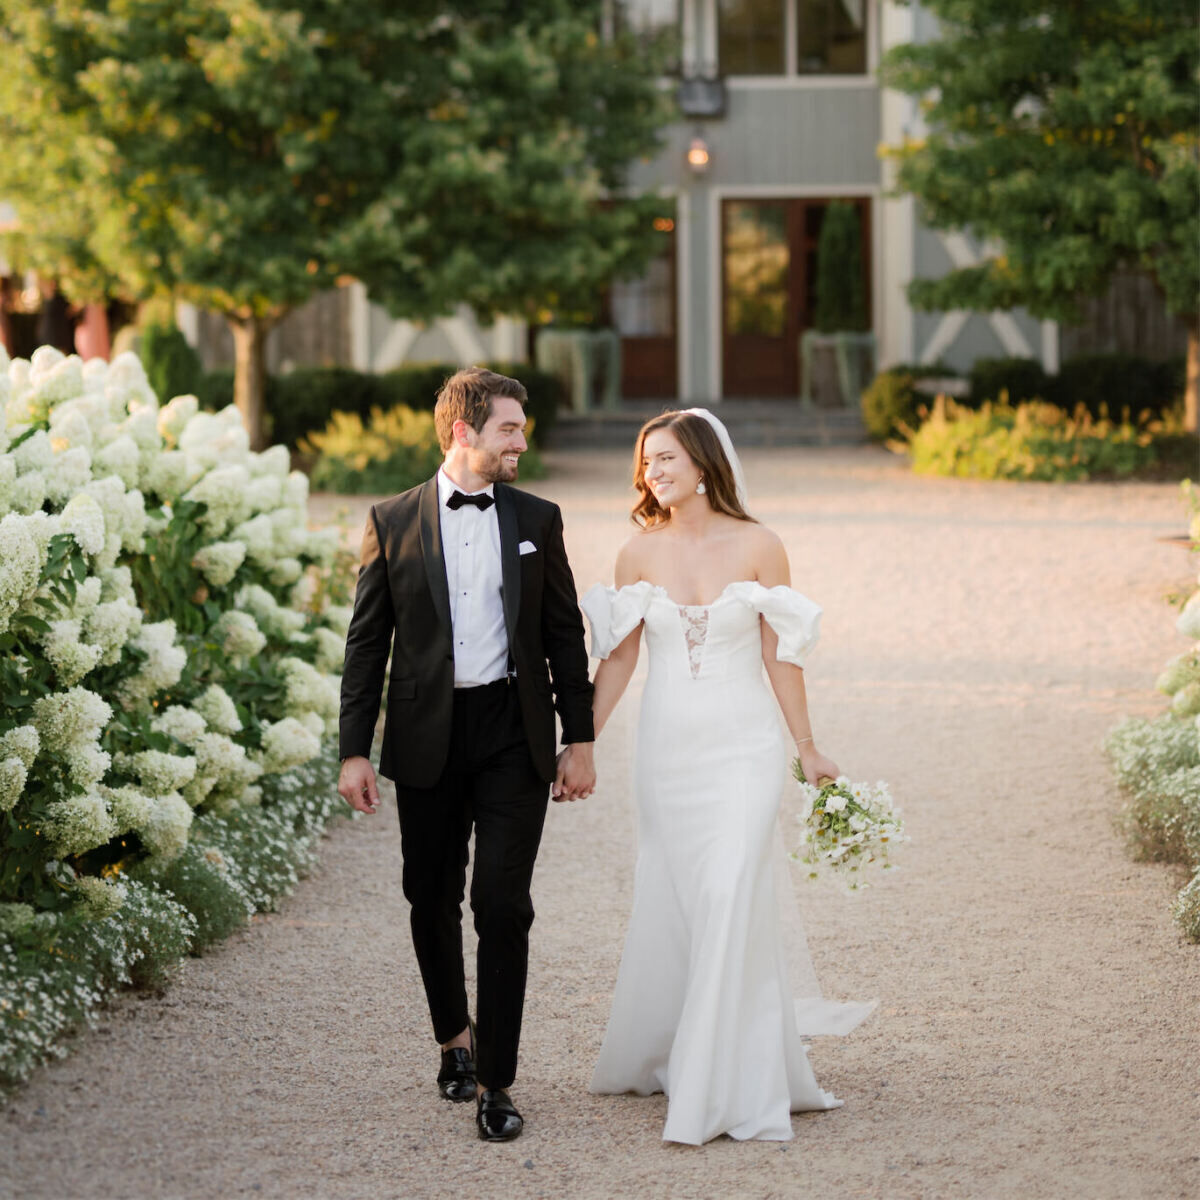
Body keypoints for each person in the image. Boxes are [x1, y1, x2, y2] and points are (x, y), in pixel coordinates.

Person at [581, 409, 873, 1145]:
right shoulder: (635, 555)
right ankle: (681, 1048)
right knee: (680, 897)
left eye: (667, 458)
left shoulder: (761, 546)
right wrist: (578, 742)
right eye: (647, 462)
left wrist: (809, 749)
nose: (653, 472)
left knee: (733, 889)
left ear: (706, 465)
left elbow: (783, 656)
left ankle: (721, 1080)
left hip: (744, 748)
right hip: (667, 751)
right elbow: (618, 660)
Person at [337, 367, 596, 1143]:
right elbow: (365, 645)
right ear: (465, 432)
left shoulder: (538, 518)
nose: (524, 440)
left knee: (503, 907)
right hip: (428, 736)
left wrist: (578, 738)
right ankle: (455, 1038)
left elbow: (562, 635)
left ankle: (498, 1083)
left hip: (514, 735)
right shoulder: (391, 520)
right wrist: (354, 750)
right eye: (511, 429)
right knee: (430, 895)